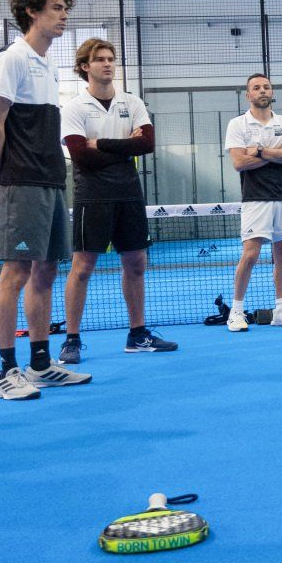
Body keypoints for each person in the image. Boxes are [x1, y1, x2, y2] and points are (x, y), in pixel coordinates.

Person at [0, 0, 92, 396]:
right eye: (56, 7)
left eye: (65, 8)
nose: (64, 15)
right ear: (32, 11)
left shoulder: (48, 65)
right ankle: (6, 371)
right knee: (16, 272)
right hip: (20, 182)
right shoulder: (11, 59)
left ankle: (41, 363)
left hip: (50, 180)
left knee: (45, 272)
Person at [61, 38, 175, 360]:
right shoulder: (73, 107)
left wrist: (102, 144)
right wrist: (123, 146)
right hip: (92, 196)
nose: (108, 64)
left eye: (111, 59)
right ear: (85, 66)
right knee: (82, 267)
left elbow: (147, 144)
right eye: (99, 59)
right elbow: (81, 157)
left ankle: (137, 335)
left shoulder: (133, 102)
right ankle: (71, 340)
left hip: (129, 194)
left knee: (136, 264)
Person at [223, 73, 282, 330]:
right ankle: (236, 312)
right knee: (250, 254)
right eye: (256, 88)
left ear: (272, 92)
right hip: (255, 198)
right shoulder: (237, 124)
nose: (262, 91)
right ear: (248, 95)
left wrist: (257, 151)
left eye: (266, 87)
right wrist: (277, 155)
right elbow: (238, 163)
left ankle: (281, 311)